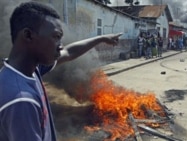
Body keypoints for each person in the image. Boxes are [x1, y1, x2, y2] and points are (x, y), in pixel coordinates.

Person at [0, 1, 122, 141]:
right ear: (28, 35)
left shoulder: (32, 70)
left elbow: (69, 52)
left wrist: (101, 38)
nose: (60, 45)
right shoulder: (21, 100)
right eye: (56, 37)